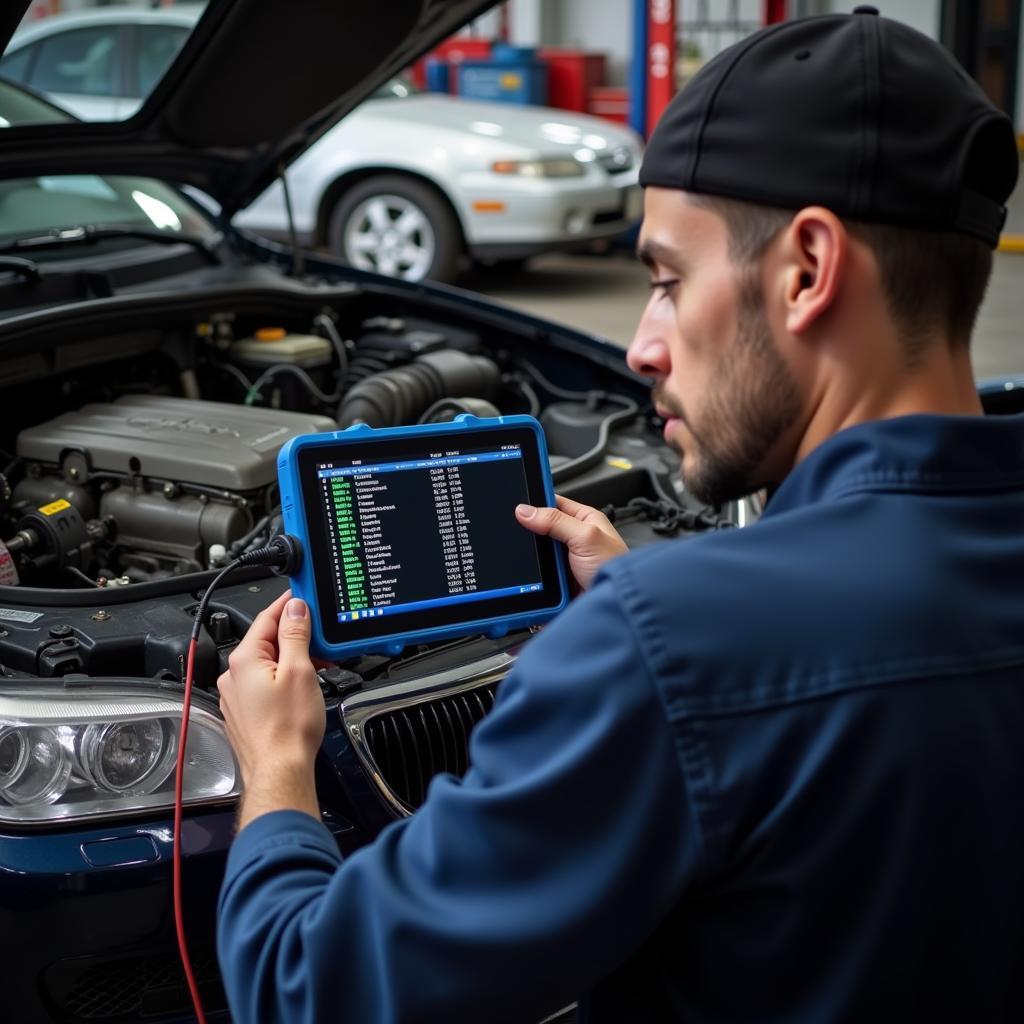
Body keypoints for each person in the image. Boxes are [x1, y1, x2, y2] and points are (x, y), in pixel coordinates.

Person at [216, 8, 1024, 1022]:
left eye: (668, 282)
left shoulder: (670, 643)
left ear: (809, 270)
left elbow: (310, 993)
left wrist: (277, 767)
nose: (640, 347)